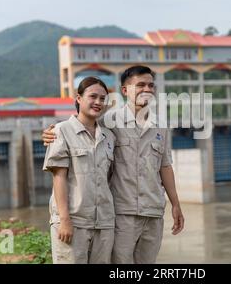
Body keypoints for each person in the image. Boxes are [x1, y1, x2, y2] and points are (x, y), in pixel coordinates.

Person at [43, 65, 185, 264]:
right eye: (141, 85)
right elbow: (81, 127)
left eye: (151, 85)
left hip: (153, 210)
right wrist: (52, 132)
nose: (147, 90)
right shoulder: (109, 122)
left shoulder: (160, 125)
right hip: (121, 212)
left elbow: (165, 165)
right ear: (125, 91)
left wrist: (175, 204)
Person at [43, 76, 116, 264]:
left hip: (103, 224)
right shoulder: (61, 131)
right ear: (79, 98)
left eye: (102, 98)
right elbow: (59, 177)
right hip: (74, 223)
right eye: (93, 96)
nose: (98, 102)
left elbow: (107, 179)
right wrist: (65, 219)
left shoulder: (109, 137)